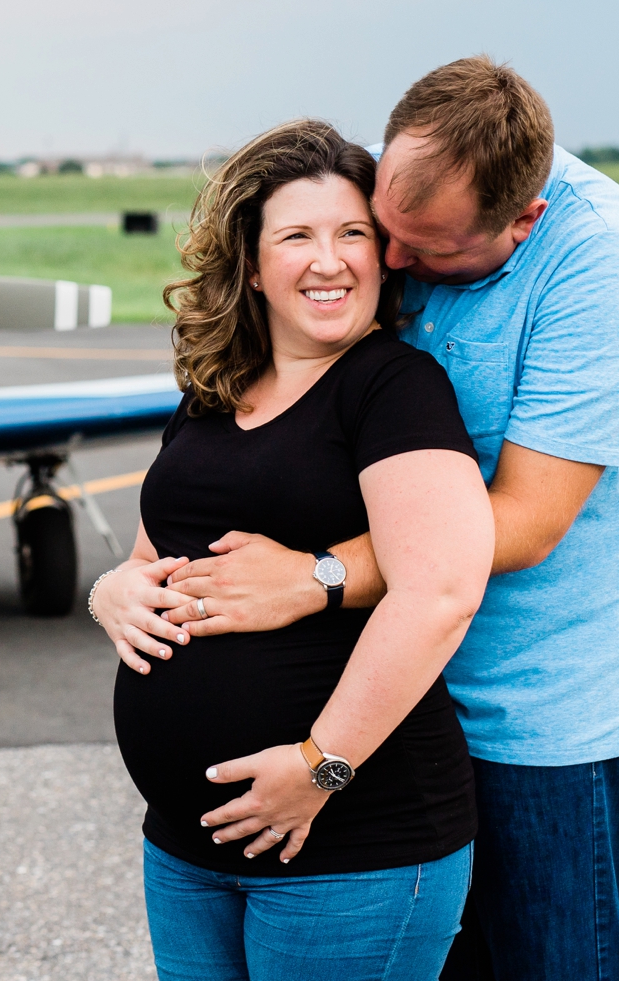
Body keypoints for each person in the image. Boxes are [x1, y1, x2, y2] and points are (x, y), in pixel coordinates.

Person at [157, 59, 619, 980]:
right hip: (396, 709)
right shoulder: (399, 206)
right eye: (384, 232)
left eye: (429, 251)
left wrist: (317, 576)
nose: (391, 267)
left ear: (519, 220)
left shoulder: (603, 266)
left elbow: (524, 521)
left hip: (537, 713)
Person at [90, 119, 495, 981]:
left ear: (384, 255)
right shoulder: (212, 392)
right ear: (250, 262)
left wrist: (321, 768)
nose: (330, 259)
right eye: (298, 236)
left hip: (354, 843)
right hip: (187, 846)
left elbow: (443, 589)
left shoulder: (392, 387)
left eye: (353, 233)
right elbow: (151, 558)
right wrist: (111, 591)